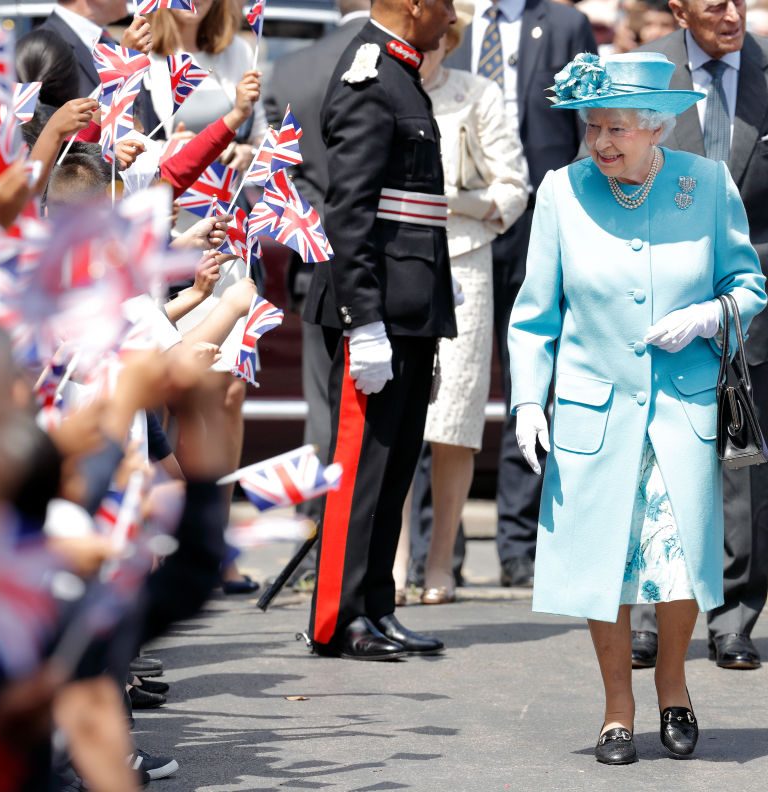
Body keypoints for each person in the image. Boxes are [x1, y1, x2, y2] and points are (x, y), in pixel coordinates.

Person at [508, 51, 767, 763]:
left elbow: (748, 286)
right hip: (596, 413)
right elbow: (534, 316)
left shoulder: (707, 185)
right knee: (606, 565)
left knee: (680, 559)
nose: (601, 142)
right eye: (593, 126)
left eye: (616, 127)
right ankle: (617, 707)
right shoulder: (562, 192)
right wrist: (529, 398)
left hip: (680, 412)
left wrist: (710, 318)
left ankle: (675, 689)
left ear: (657, 127)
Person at [633, 0, 768, 671]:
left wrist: (751, 247)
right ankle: (650, 612)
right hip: (658, 293)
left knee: (746, 459)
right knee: (656, 456)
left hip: (751, 294)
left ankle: (733, 618)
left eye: (740, 1)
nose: (733, 15)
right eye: (715, 6)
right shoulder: (645, 71)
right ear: (679, 9)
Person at [301, 0, 458, 660]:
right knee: (363, 471)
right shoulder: (370, 75)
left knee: (392, 468)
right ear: (416, 5)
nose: (450, 17)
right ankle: (338, 617)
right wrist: (362, 322)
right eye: (445, 4)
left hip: (409, 310)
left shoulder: (401, 73)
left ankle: (375, 606)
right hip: (379, 313)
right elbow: (350, 214)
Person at [444, 0, 597, 589]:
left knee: (531, 384)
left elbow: (589, 126)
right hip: (461, 225)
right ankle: (441, 547)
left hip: (540, 222)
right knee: (447, 386)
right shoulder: (447, 20)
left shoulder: (563, 24)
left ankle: (518, 544)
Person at [415, 8, 528, 604]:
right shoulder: (382, 87)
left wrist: (452, 201)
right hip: (397, 264)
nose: (425, 53)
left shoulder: (477, 93)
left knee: (454, 422)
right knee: (393, 418)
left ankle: (439, 564)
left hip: (464, 265)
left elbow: (513, 187)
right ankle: (387, 564)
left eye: (435, 45)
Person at [263, 0, 370, 557]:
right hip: (385, 255)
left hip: (318, 255)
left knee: (323, 407)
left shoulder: (292, 70)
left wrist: (325, 228)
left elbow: (282, 175)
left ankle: (316, 539)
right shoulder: (391, 60)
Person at [146, 0, 267, 170]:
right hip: (166, 190)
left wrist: (250, 153)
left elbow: (260, 133)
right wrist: (167, 149)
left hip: (226, 191)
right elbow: (121, 145)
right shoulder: (142, 55)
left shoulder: (238, 51)